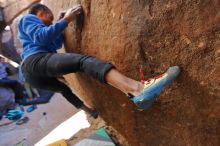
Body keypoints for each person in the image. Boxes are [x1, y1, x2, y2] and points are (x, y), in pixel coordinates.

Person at [17, 4, 180, 118]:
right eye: (48, 17)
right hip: (34, 62)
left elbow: (54, 43)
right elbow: (42, 36)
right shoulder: (28, 19)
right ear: (41, 12)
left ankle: (94, 109)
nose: (50, 20)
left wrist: (62, 23)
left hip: (33, 76)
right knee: (83, 62)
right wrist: (66, 19)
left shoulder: (35, 31)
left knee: (64, 90)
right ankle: (137, 88)